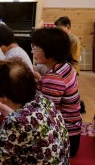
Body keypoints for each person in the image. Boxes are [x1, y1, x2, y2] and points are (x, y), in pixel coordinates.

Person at [0, 59, 70, 164]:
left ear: (3, 97)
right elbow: (25, 121)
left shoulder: (16, 121)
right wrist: (3, 107)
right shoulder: (42, 99)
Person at [31, 27, 82, 157]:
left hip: (64, 139)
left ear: (50, 51)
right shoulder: (65, 66)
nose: (32, 51)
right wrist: (40, 79)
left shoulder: (54, 78)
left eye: (35, 48)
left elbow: (43, 115)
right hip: (73, 133)